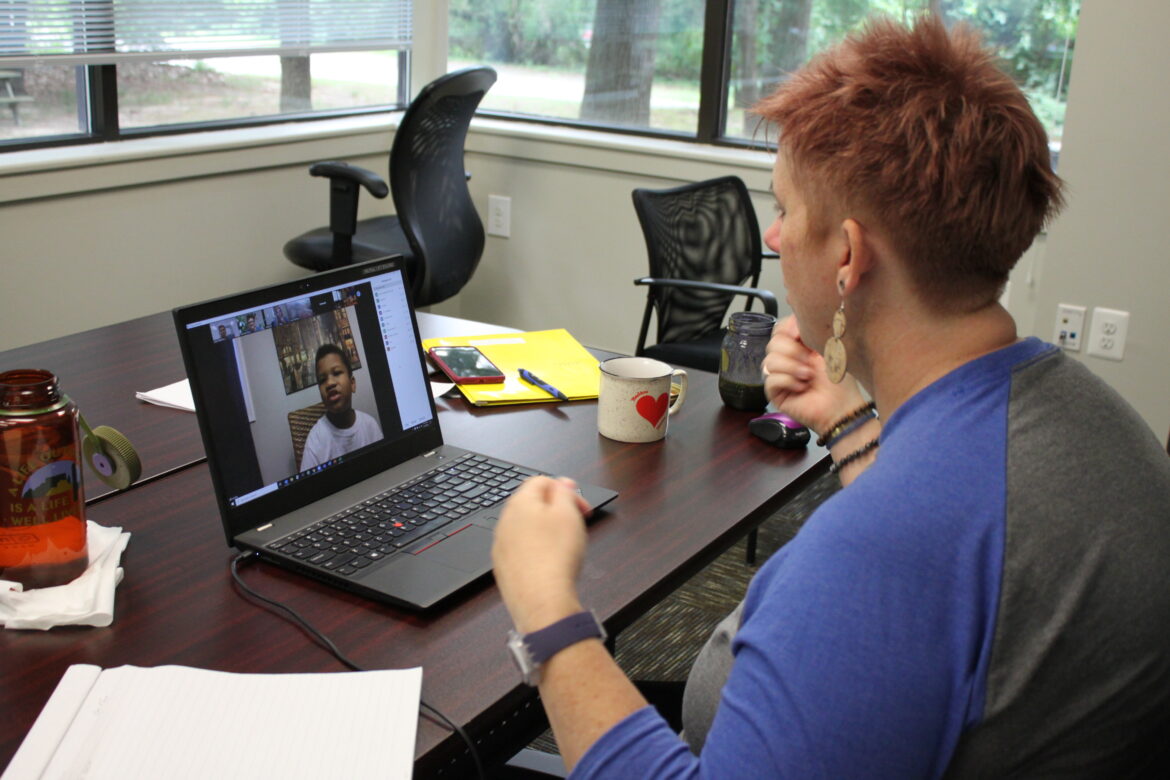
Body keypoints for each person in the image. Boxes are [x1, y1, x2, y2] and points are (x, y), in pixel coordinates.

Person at [491, 15, 1170, 777]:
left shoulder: (885, 547)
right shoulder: (1095, 423)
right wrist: (848, 423)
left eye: (784, 209)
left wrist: (547, 611)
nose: (775, 238)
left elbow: (916, 553)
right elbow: (957, 570)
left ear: (848, 255)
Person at [299, 344, 382, 471]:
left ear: (352, 384)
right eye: (322, 380)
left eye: (337, 373)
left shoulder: (370, 425)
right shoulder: (315, 441)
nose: (330, 383)